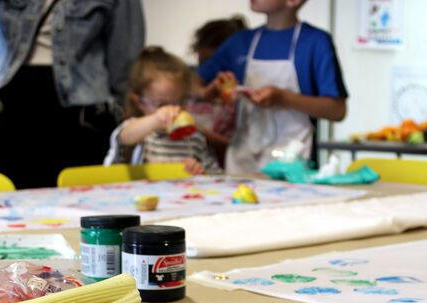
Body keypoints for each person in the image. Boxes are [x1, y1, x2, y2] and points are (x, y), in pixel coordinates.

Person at [0, 0, 144, 189]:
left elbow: (125, 57)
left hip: (82, 106)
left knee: (84, 198)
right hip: (17, 100)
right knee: (11, 197)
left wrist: (124, 110)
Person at [197, 0, 348, 175]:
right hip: (241, 160)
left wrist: (284, 98)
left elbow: (337, 110)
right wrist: (208, 92)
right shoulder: (240, 42)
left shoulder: (315, 42)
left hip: (293, 163)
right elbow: (192, 83)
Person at [104, 46, 221, 175]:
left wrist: (200, 171)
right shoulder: (141, 133)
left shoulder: (193, 137)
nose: (174, 109)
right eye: (162, 104)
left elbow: (215, 175)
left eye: (180, 101)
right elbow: (124, 137)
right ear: (139, 103)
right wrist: (156, 120)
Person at [187, 15, 247, 168]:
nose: (205, 68)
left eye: (209, 62)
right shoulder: (192, 89)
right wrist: (202, 92)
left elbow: (241, 147)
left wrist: (199, 134)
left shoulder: (239, 97)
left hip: (223, 169)